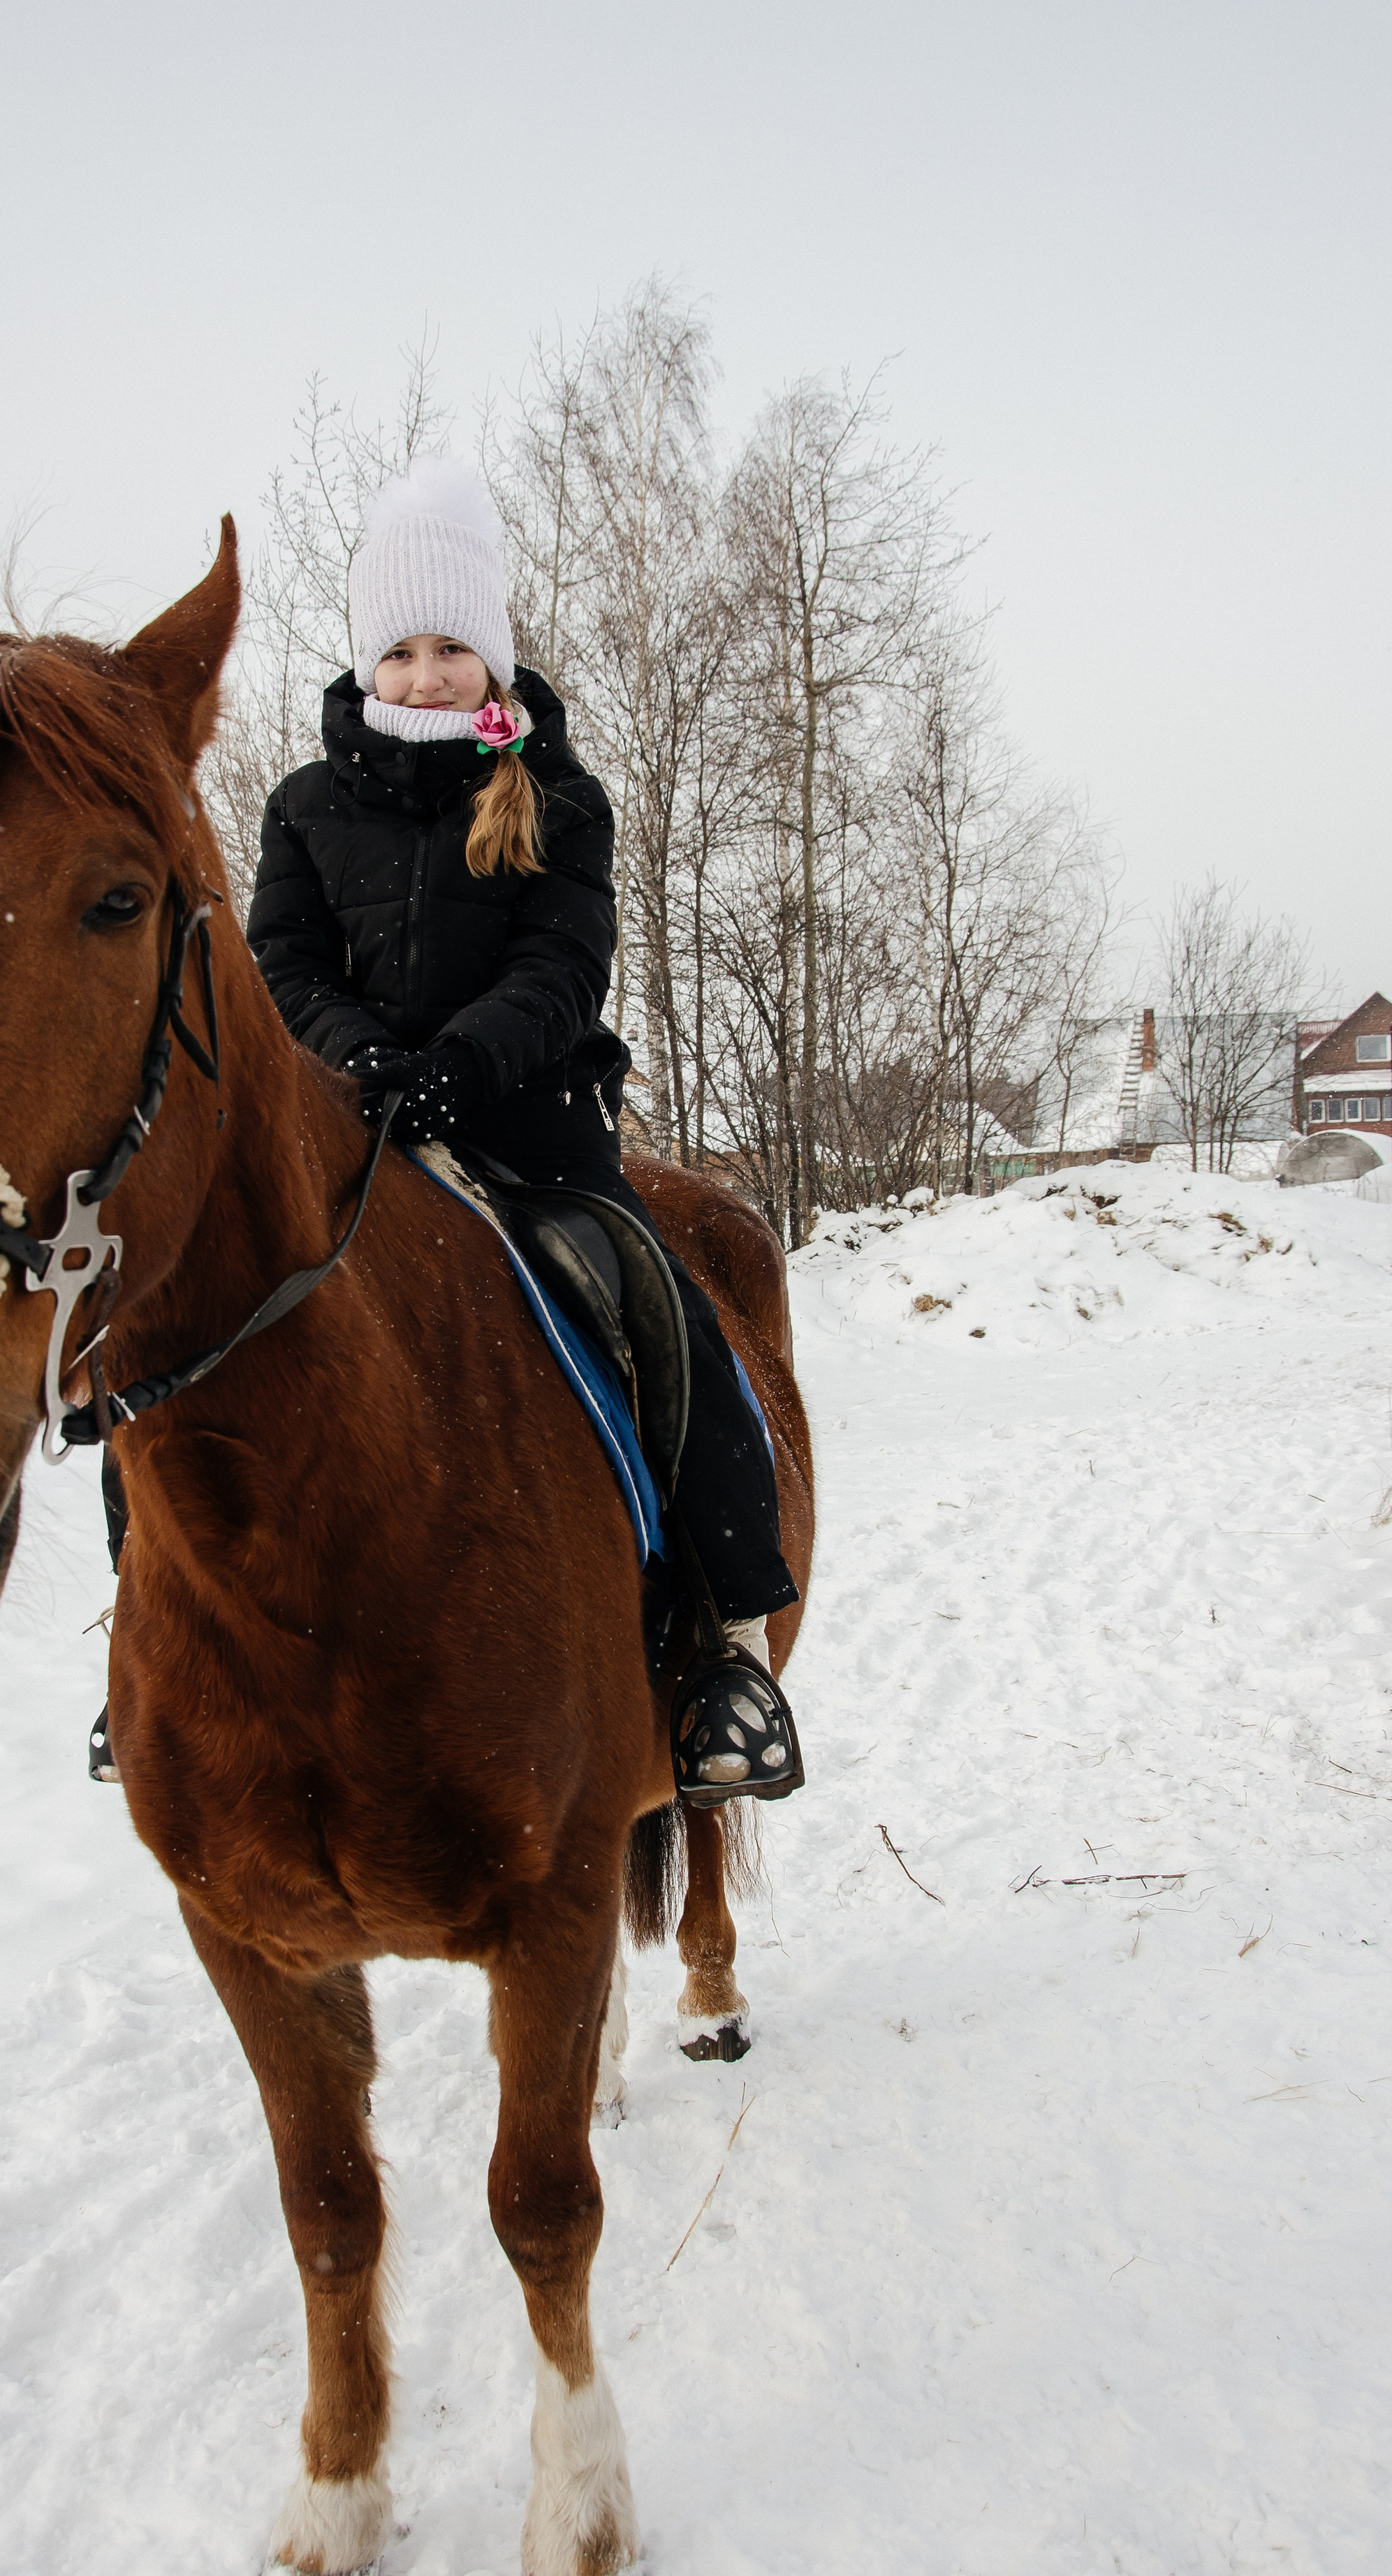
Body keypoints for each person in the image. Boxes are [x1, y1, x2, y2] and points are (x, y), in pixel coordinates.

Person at [236, 461, 802, 1804]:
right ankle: (156, 1641)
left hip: (534, 1137)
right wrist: (360, 1057)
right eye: (402, 648)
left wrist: (461, 1067)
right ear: (368, 657)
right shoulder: (304, 809)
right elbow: (284, 964)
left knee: (670, 1315)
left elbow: (563, 965)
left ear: (490, 656)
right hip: (351, 1140)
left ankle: (731, 1647)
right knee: (200, 1321)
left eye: (451, 648)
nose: (425, 674)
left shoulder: (558, 795)